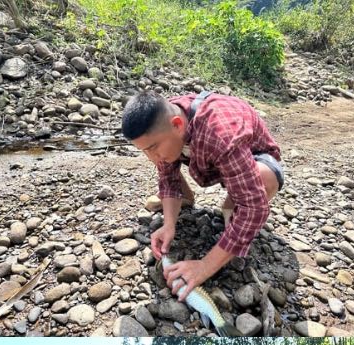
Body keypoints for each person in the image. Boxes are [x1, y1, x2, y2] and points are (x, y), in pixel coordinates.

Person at [120, 91, 286, 302]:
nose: (151, 157)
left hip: (252, 158)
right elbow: (168, 178)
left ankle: (231, 205)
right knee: (166, 157)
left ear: (178, 124)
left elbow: (255, 208)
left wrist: (205, 266)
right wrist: (169, 225)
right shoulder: (166, 122)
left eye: (152, 148)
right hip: (207, 155)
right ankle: (185, 201)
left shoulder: (220, 134)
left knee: (263, 180)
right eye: (144, 150)